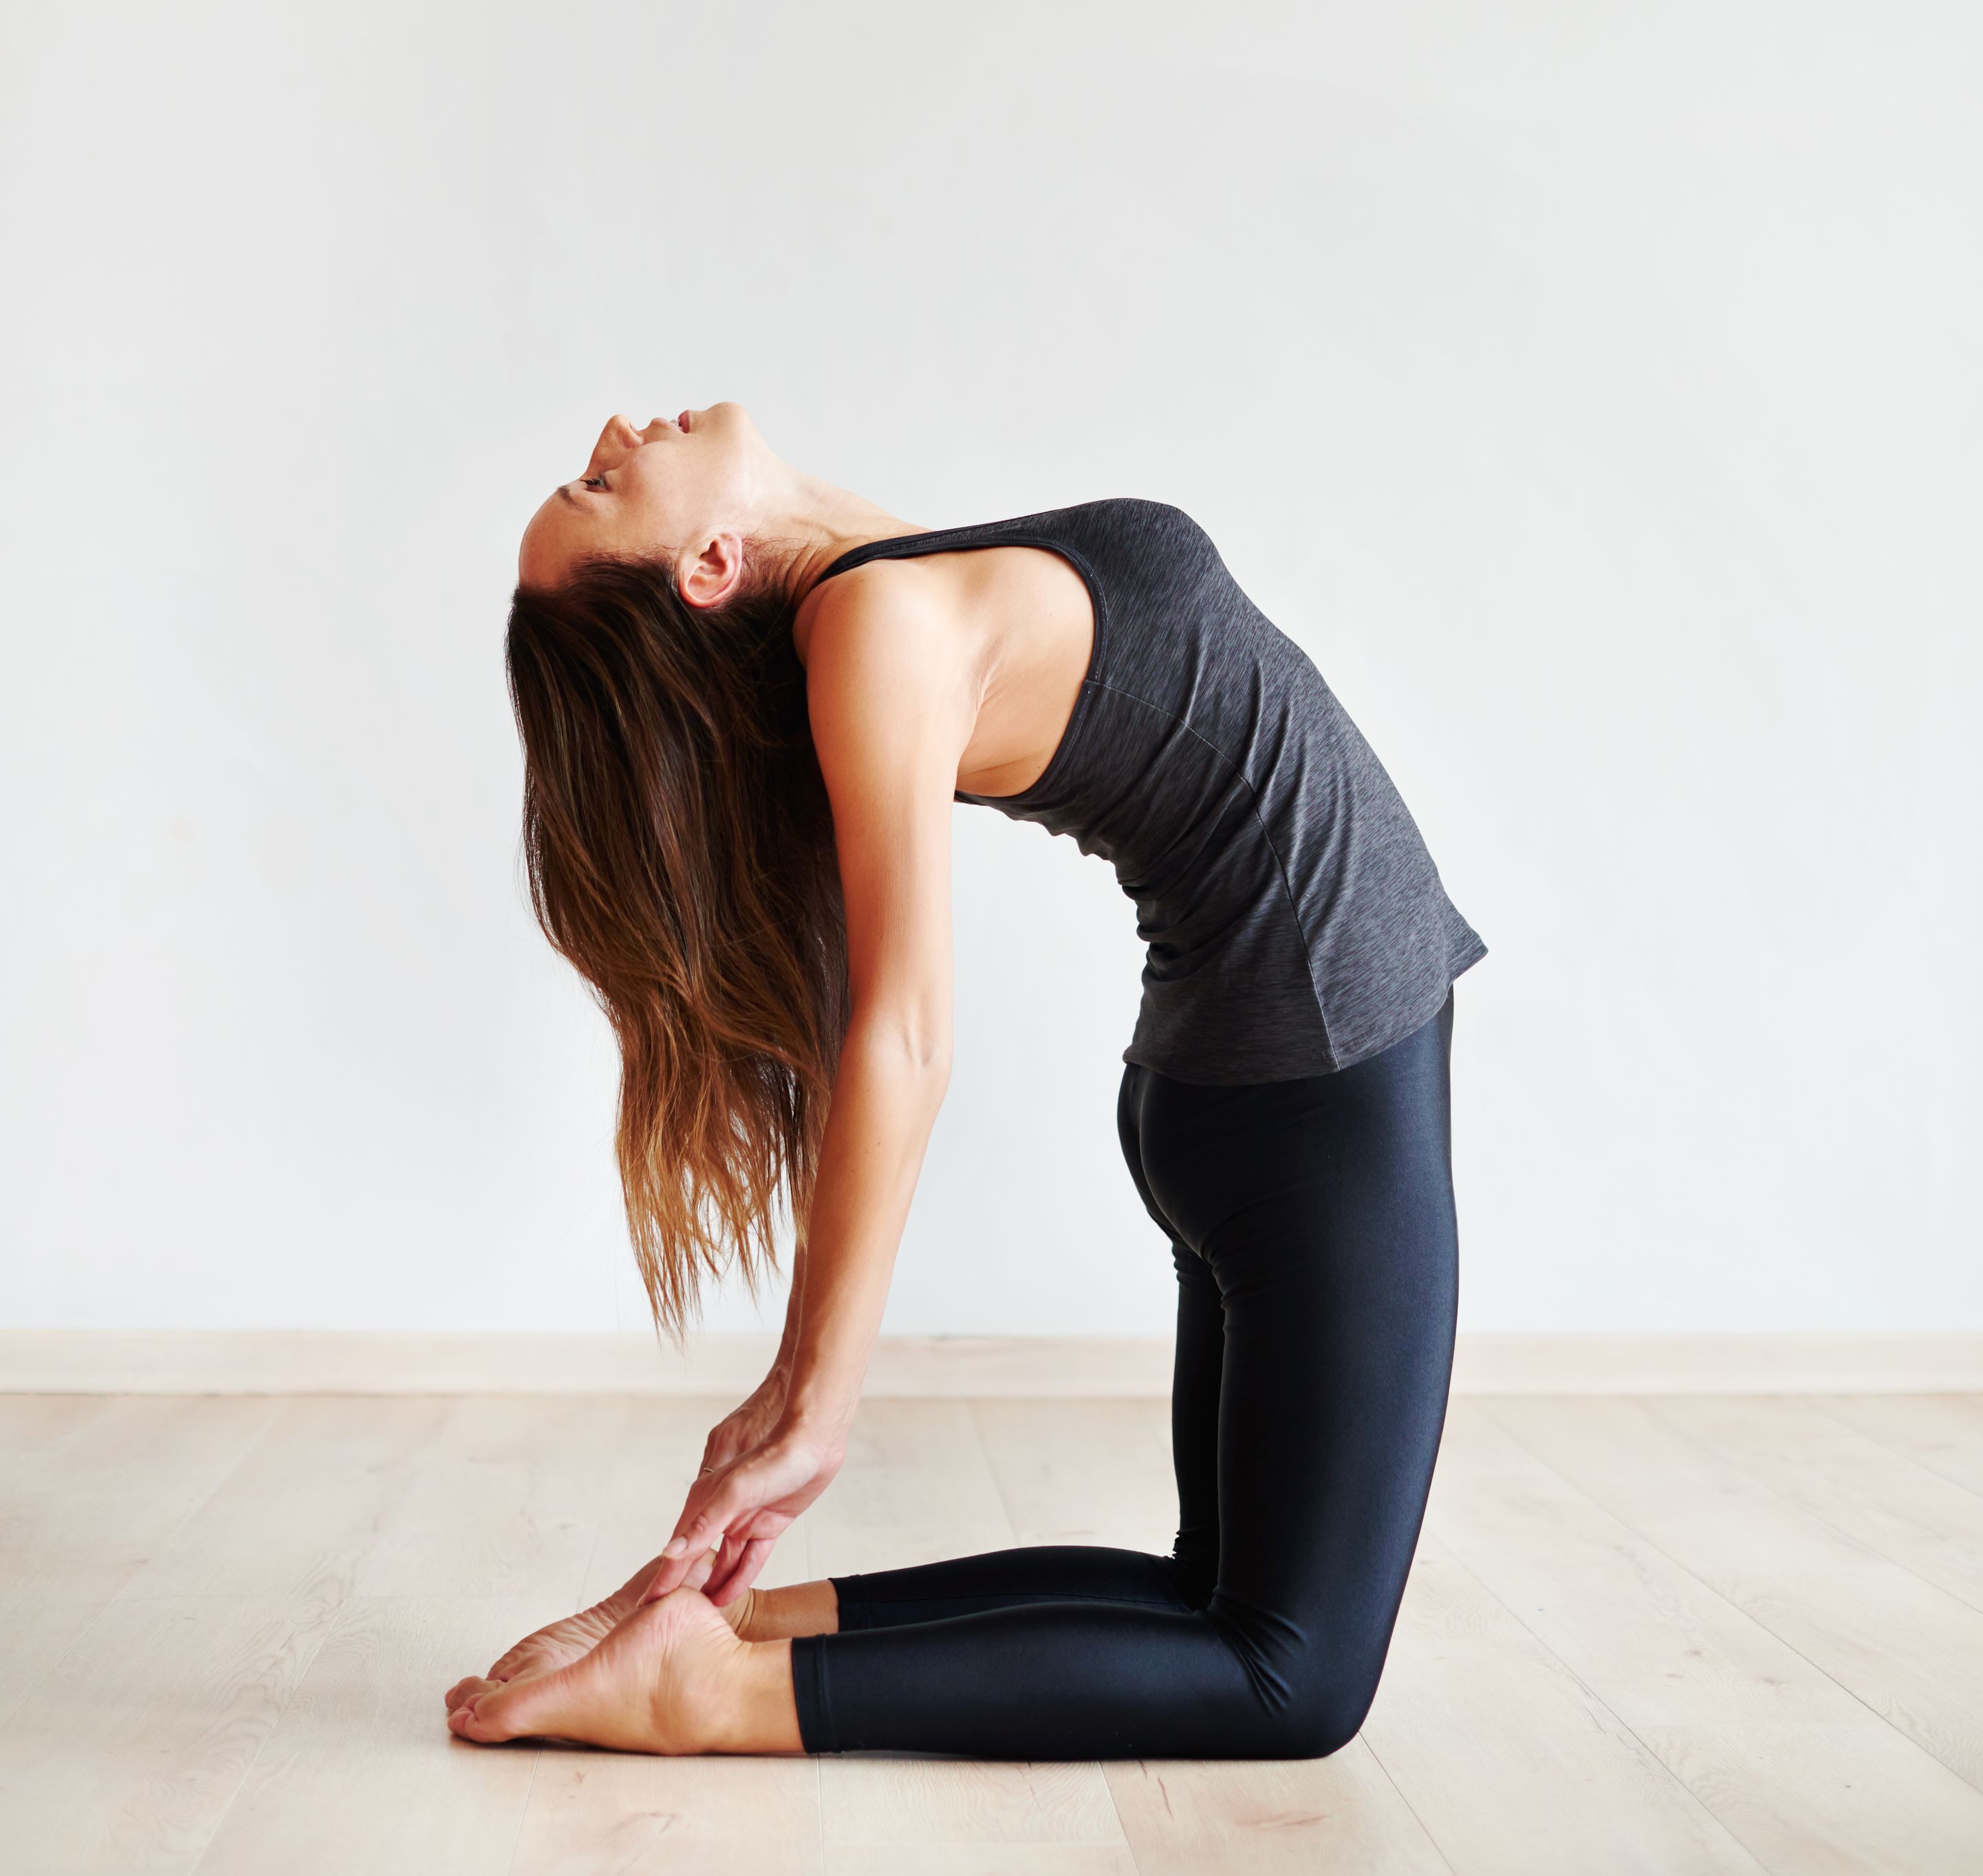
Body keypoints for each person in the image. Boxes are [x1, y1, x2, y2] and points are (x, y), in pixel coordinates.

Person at [444, 404, 1485, 1760]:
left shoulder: (873, 594)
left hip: (1263, 1083)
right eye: (599, 483)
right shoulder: (879, 629)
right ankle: (713, 1696)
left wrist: (794, 1386)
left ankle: (730, 1631)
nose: (614, 432)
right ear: (703, 565)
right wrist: (815, 1401)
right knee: (1292, 1678)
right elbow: (902, 1033)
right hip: (1312, 1087)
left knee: (1217, 1604)